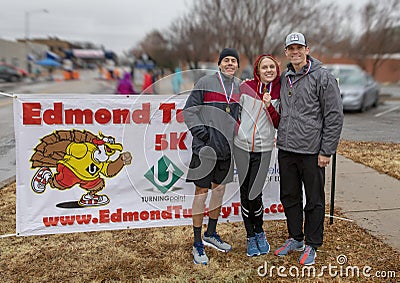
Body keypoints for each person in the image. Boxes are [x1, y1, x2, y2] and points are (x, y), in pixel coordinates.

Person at [274, 32, 344, 265]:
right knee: (289, 196)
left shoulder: (322, 76)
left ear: (307, 49)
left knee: (314, 200)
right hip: (286, 149)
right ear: (286, 52)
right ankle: (296, 237)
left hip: (312, 151)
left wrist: (327, 150)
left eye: (299, 48)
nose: (295, 52)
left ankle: (312, 243)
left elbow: (334, 116)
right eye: (290, 48)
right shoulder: (285, 78)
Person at [183, 48, 241, 265]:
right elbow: (189, 111)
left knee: (219, 192)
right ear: (219, 64)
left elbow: (239, 115)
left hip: (226, 151)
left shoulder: (238, 87)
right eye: (226, 60)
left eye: (233, 61)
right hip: (205, 149)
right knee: (201, 193)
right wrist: (203, 134)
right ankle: (197, 242)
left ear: (237, 65)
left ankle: (211, 233)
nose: (230, 64)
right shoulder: (205, 82)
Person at [233, 54, 281, 257]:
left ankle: (260, 231)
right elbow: (233, 112)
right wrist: (239, 131)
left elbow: (279, 123)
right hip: (242, 147)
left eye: (272, 67)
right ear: (257, 70)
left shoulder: (280, 91)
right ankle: (250, 235)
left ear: (276, 70)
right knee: (245, 192)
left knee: (255, 192)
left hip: (263, 149)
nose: (268, 70)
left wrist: (269, 106)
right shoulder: (245, 87)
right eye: (264, 67)